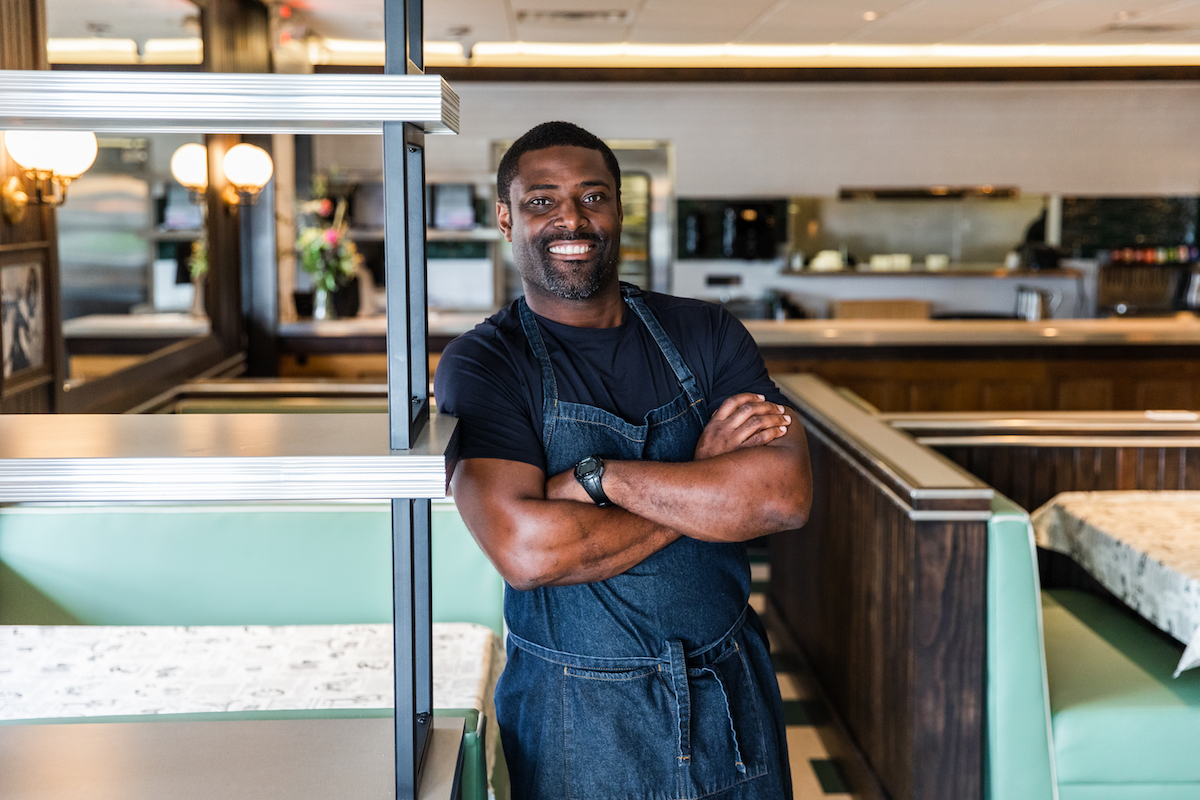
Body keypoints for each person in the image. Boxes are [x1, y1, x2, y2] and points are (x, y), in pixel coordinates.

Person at [434, 121, 812, 800]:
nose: (571, 218)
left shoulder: (707, 331)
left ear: (618, 209)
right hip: (575, 715)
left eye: (593, 196)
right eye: (542, 200)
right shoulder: (487, 362)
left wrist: (596, 478)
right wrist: (704, 482)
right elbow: (528, 553)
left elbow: (781, 497)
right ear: (505, 218)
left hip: (730, 692)